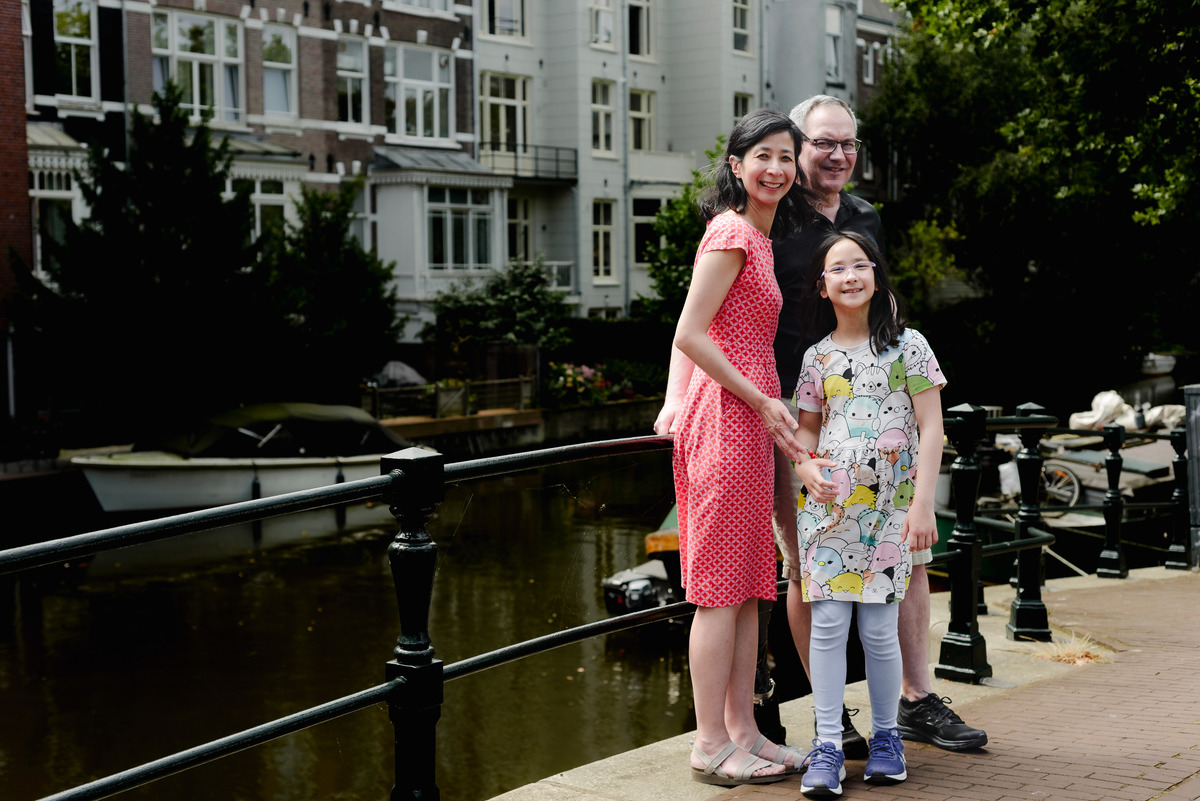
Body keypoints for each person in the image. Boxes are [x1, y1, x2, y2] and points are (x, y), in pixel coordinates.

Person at [774, 96, 988, 755]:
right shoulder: (770, 215)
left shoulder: (865, 214)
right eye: (822, 143)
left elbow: (880, 293)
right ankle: (832, 720)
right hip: (797, 413)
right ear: (798, 145)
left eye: (848, 144)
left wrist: (900, 357)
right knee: (806, 567)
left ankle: (918, 699)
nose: (837, 155)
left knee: (909, 556)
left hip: (875, 414)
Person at [667, 108, 814, 787]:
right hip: (728, 417)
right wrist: (756, 401)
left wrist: (761, 408)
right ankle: (707, 741)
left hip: (749, 417)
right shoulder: (730, 231)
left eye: (787, 157)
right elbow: (692, 333)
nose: (776, 168)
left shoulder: (757, 236)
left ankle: (745, 729)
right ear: (736, 164)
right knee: (720, 591)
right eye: (764, 156)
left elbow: (703, 331)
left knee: (753, 584)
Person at [791, 230, 942, 796]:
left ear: (876, 276)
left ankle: (886, 739)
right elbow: (805, 430)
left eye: (860, 265)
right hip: (830, 512)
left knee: (880, 632)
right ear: (822, 286)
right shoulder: (817, 356)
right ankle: (826, 745)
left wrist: (922, 503)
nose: (850, 276)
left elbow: (932, 428)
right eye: (838, 269)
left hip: (889, 512)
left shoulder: (910, 346)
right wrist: (804, 466)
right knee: (828, 626)